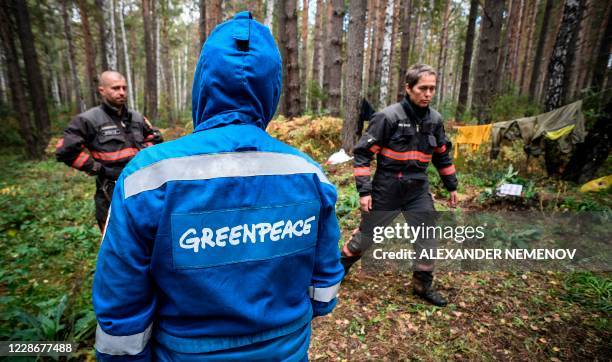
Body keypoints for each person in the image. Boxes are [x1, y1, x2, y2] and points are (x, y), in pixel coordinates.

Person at [92, 12, 344, 361]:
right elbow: (325, 284)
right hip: (286, 349)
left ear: (203, 83)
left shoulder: (148, 176)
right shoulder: (309, 173)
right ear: (272, 88)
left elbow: (121, 297)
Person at [341, 64, 458, 307]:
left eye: (432, 89)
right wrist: (364, 191)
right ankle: (335, 272)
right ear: (408, 88)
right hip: (387, 187)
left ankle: (421, 284)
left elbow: (442, 155)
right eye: (422, 88)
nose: (427, 94)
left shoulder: (435, 120)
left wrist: (452, 186)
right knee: (367, 235)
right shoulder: (388, 117)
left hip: (417, 189)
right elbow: (363, 154)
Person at [56, 71, 163, 231]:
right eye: (115, 88)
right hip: (110, 192)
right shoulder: (88, 120)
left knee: (145, 237)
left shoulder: (136, 117)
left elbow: (155, 138)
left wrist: (144, 156)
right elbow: (65, 150)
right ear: (102, 90)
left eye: (124, 88)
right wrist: (95, 168)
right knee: (113, 241)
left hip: (142, 190)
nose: (121, 92)